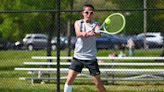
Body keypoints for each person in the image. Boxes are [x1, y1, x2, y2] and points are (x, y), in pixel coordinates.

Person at [64, 4, 106, 92]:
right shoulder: (78, 23)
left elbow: (99, 34)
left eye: (91, 13)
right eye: (86, 12)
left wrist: (96, 33)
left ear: (93, 14)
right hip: (78, 57)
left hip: (91, 58)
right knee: (69, 79)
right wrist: (87, 34)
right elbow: (78, 34)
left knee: (98, 84)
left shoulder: (96, 24)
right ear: (82, 13)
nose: (88, 15)